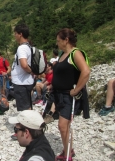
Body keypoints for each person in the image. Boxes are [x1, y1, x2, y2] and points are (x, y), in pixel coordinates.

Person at [52, 28, 90, 161]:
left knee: (62, 125)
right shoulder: (63, 54)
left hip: (69, 96)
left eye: (58, 41)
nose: (57, 44)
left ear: (66, 40)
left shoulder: (75, 53)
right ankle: (68, 148)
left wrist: (76, 89)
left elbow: (85, 71)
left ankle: (68, 156)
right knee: (66, 125)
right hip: (59, 95)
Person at [11, 24, 34, 111]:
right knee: (27, 105)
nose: (15, 36)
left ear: (20, 34)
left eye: (15, 33)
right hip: (26, 81)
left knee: (24, 108)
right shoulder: (28, 46)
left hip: (21, 82)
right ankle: (30, 122)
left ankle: (26, 124)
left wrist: (30, 71)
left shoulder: (22, 48)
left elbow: (24, 65)